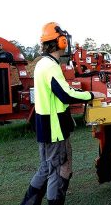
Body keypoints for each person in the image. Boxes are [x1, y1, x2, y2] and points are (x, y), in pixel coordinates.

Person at [21, 22, 105, 205]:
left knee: (46, 169)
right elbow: (65, 94)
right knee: (59, 171)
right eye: (63, 39)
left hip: (46, 126)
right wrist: (91, 94)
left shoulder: (43, 64)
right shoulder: (51, 66)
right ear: (59, 41)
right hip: (55, 128)